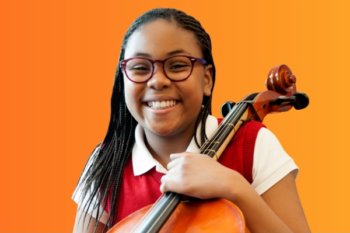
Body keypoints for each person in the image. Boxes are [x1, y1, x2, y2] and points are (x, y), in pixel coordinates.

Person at [72, 8, 311, 233]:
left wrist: (236, 188)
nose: (157, 81)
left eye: (177, 66)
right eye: (140, 68)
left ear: (206, 80)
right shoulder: (106, 161)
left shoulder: (253, 144)